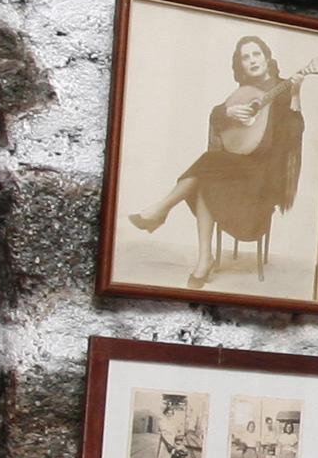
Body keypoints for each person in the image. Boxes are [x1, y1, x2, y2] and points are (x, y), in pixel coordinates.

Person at [128, 35, 307, 289]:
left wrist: (296, 94)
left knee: (208, 166)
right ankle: (204, 258)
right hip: (239, 165)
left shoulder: (284, 88)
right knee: (206, 179)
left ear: (267, 58)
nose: (252, 60)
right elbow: (218, 115)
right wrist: (228, 112)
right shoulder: (244, 92)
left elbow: (295, 131)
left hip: (264, 174)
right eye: (245, 57)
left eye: (256, 54)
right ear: (240, 65)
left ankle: (162, 211)